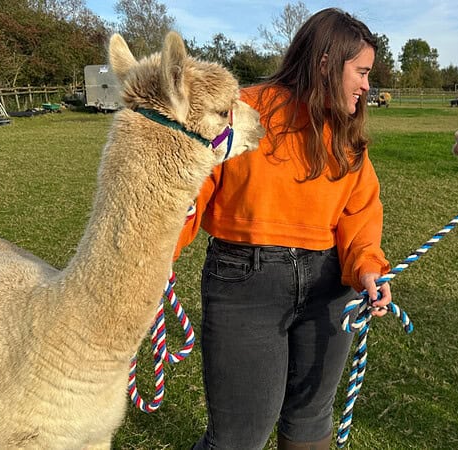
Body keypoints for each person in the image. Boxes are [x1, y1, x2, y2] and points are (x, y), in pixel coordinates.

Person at [173, 7, 392, 450]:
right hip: (244, 284)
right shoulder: (239, 112)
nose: (368, 86)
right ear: (327, 64)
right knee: (239, 437)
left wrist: (368, 268)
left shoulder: (345, 132)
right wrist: (156, 256)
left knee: (311, 422)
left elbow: (359, 212)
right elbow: (187, 196)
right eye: (362, 72)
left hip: (330, 288)